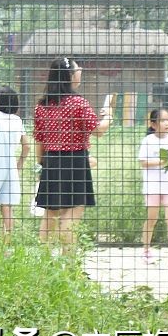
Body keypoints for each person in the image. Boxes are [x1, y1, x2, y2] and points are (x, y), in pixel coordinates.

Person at [33, 56, 111, 251]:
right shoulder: (78, 103)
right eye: (78, 69)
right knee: (72, 214)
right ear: (70, 76)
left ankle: (43, 263)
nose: (80, 71)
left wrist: (43, 164)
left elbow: (39, 140)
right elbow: (99, 131)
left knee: (50, 214)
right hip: (75, 161)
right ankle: (69, 266)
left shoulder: (42, 106)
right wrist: (109, 116)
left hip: (50, 161)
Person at [139, 108, 168, 266]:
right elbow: (143, 162)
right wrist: (163, 161)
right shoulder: (147, 140)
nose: (167, 123)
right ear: (153, 124)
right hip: (152, 186)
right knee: (152, 218)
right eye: (163, 120)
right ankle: (146, 251)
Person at [0, 86, 29, 239]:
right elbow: (27, 145)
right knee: (7, 206)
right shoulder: (17, 120)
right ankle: (7, 244)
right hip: (10, 167)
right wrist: (19, 164)